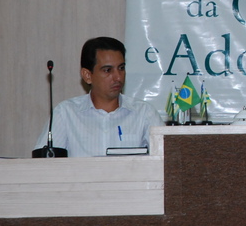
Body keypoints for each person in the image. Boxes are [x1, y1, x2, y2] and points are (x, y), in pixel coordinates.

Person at [34, 37, 163, 157]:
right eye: (108, 70)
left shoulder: (144, 113)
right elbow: (43, 166)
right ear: (87, 75)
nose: (118, 77)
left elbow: (168, 159)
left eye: (121, 68)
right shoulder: (66, 114)